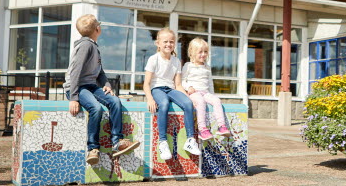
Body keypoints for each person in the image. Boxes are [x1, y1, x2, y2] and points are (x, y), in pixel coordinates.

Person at [64, 14, 139, 166]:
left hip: (90, 86)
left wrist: (107, 85)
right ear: (97, 29)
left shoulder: (93, 46)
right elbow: (75, 72)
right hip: (77, 87)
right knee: (96, 109)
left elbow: (100, 73)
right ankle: (92, 148)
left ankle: (117, 142)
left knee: (115, 101)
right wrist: (73, 97)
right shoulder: (86, 45)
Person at [143, 28, 201, 160]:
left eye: (171, 42)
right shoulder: (153, 59)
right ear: (158, 43)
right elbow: (146, 84)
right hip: (157, 89)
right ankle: (162, 142)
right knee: (163, 103)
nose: (168, 44)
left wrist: (188, 97)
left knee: (187, 104)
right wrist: (150, 99)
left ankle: (190, 140)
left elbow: (178, 85)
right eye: (165, 42)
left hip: (171, 89)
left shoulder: (175, 61)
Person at [182, 38, 230, 140]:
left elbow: (210, 83)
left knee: (217, 101)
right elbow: (182, 81)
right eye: (200, 52)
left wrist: (212, 95)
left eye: (205, 52)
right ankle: (202, 129)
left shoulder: (207, 67)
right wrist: (188, 87)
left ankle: (222, 126)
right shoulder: (188, 66)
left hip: (206, 92)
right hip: (194, 92)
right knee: (200, 102)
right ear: (192, 53)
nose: (203, 54)